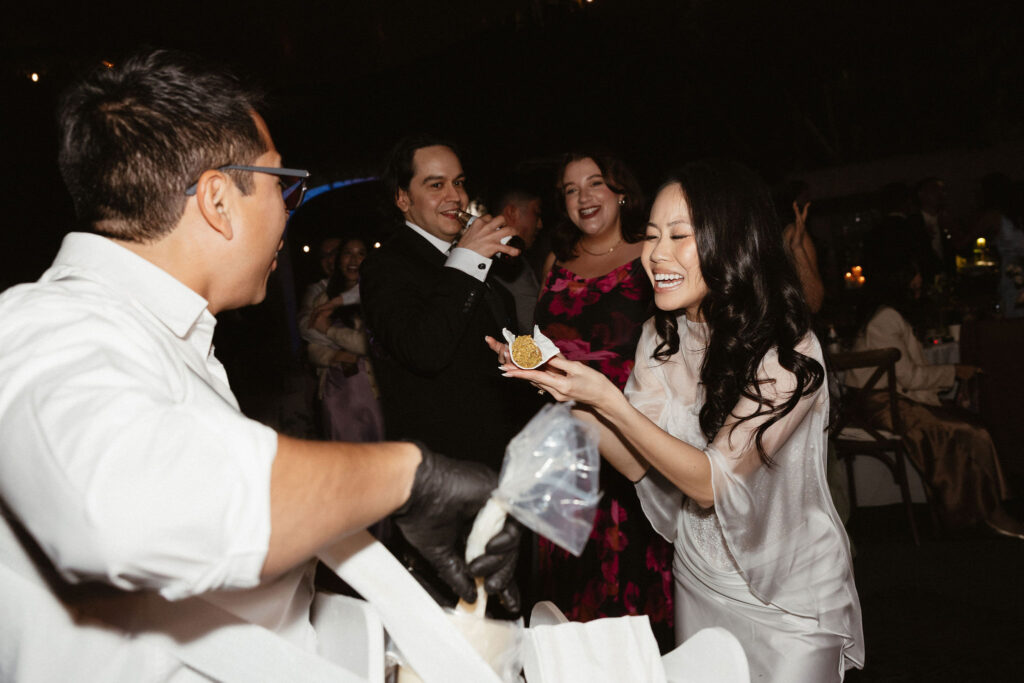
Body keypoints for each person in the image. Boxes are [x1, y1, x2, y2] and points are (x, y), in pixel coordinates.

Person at [0, 50, 519, 680]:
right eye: (281, 184)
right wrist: (408, 477)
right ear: (218, 200)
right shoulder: (47, 324)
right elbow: (133, 508)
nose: (288, 209)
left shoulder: (165, 333)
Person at [495, 160, 864, 681]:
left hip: (787, 595)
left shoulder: (788, 351)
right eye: (651, 236)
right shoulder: (660, 336)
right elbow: (635, 464)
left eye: (678, 235)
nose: (655, 255)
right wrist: (564, 390)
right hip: (698, 576)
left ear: (730, 240)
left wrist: (609, 400)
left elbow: (712, 484)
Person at [359, 136, 540, 608]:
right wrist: (470, 258)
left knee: (511, 615)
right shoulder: (385, 266)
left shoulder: (473, 260)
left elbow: (499, 337)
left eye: (458, 183)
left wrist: (541, 360)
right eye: (435, 184)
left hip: (504, 468)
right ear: (403, 198)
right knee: (458, 618)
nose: (455, 196)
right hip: (445, 486)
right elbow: (424, 349)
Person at [530, 151, 674, 649]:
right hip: (565, 439)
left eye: (595, 183)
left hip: (631, 432)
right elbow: (543, 342)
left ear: (621, 191)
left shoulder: (650, 255)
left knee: (633, 574)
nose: (584, 197)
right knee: (571, 588)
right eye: (571, 190)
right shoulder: (556, 261)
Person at [844, 251, 1024, 538]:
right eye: (913, 277)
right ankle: (986, 510)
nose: (919, 282)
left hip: (891, 399)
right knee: (967, 430)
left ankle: (982, 507)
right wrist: (953, 372)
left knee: (971, 425)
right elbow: (908, 377)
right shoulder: (886, 318)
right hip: (882, 404)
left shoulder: (890, 315)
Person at [305, 235, 384, 442]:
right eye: (348, 253)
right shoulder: (324, 298)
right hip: (334, 391)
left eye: (361, 254)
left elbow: (368, 344)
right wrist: (336, 355)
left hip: (371, 390)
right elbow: (312, 347)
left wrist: (329, 331)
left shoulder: (376, 296)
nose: (353, 260)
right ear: (339, 260)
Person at [489, 180, 545, 332]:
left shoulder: (518, 257)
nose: (540, 224)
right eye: (536, 214)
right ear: (512, 212)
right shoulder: (490, 262)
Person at [777, 180, 825, 314]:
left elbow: (814, 304)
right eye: (805, 196)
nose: (808, 200)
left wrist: (797, 247)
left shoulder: (793, 231)